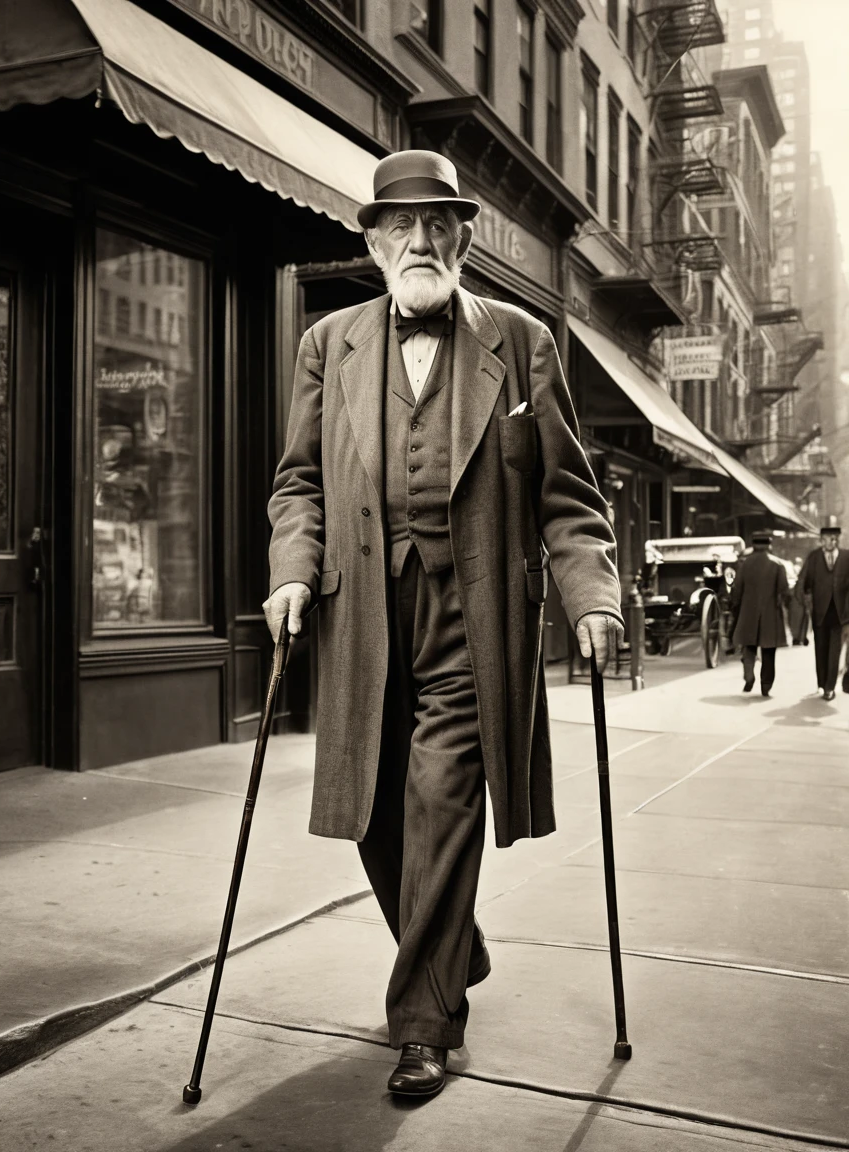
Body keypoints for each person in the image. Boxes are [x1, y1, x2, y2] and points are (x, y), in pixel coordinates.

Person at [264, 150, 624, 1099]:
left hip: (473, 624)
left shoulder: (521, 340)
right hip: (362, 618)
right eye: (403, 226)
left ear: (464, 238)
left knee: (442, 803)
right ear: (375, 241)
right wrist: (291, 574)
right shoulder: (327, 344)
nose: (421, 241)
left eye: (439, 225)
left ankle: (423, 1023)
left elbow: (567, 497)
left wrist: (593, 596)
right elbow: (299, 481)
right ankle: (452, 948)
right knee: (374, 812)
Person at [729, 531, 789, 697]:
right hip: (770, 614)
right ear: (769, 545)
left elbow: (737, 589)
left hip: (748, 612)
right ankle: (766, 685)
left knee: (749, 646)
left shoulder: (745, 565)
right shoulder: (778, 565)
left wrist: (736, 607)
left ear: (753, 545)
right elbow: (784, 589)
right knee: (769, 652)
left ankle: (749, 676)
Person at [794, 524, 849, 701]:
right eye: (826, 539)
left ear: (837, 540)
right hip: (819, 613)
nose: (830, 542)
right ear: (821, 540)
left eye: (833, 539)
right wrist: (805, 603)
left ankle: (829, 687)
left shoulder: (847, 557)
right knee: (821, 650)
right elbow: (802, 582)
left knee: (835, 651)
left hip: (841, 614)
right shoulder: (814, 558)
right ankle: (822, 682)